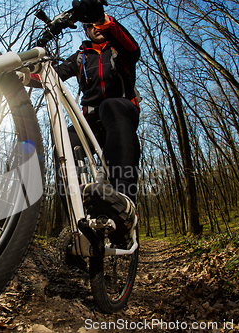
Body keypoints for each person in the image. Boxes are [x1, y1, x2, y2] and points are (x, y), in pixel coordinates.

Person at [54, 0, 141, 246]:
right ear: (85, 30)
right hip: (90, 122)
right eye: (90, 24)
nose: (96, 27)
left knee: (109, 106)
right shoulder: (80, 57)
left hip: (121, 112)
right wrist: (23, 74)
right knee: (63, 141)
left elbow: (133, 51)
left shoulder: (117, 46)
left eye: (98, 22)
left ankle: (124, 205)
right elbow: (48, 76)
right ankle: (76, 224)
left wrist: (101, 17)